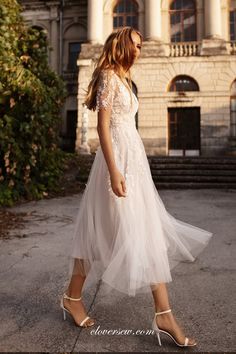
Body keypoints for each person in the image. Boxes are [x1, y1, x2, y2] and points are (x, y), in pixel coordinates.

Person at [60, 27, 213, 347]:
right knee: (108, 233)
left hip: (134, 163)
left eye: (142, 46)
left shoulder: (124, 78)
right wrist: (115, 171)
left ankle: (157, 312)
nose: (141, 51)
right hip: (117, 164)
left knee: (132, 231)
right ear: (122, 45)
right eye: (137, 45)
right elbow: (103, 127)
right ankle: (157, 313)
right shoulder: (107, 76)